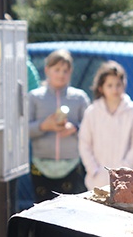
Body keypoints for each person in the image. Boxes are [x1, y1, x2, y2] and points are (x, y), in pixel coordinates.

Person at [27, 49, 90, 202]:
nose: (61, 74)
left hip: (71, 164)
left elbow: (91, 129)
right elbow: (24, 130)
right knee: (42, 211)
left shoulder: (79, 98)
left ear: (71, 72)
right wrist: (44, 126)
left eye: (65, 70)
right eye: (57, 70)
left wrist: (75, 129)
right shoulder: (35, 97)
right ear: (47, 70)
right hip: (41, 164)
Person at [79, 61, 133, 191]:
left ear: (124, 84)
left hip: (125, 181)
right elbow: (84, 144)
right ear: (101, 87)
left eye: (118, 85)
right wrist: (93, 170)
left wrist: (124, 171)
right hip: (96, 181)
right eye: (109, 85)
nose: (115, 89)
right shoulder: (92, 112)